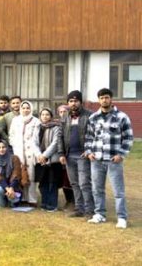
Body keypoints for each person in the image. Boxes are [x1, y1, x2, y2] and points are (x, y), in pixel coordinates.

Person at [85, 88, 134, 229]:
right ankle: (100, 214)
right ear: (98, 100)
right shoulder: (93, 117)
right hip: (97, 160)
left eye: (106, 97)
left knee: (118, 191)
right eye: (101, 98)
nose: (104, 100)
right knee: (97, 189)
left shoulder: (122, 117)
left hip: (113, 160)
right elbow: (88, 137)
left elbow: (128, 138)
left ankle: (122, 218)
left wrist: (121, 154)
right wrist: (89, 152)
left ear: (111, 99)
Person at [61, 90, 94, 218]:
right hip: (69, 156)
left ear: (80, 102)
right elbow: (60, 136)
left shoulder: (89, 116)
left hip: (83, 156)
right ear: (68, 103)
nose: (73, 103)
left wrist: (88, 150)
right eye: (70, 101)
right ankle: (79, 208)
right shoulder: (65, 117)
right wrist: (61, 153)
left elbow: (94, 135)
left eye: (75, 101)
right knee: (74, 183)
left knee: (84, 183)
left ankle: (89, 210)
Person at [9, 100, 40, 206]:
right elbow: (11, 135)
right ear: (20, 109)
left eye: (28, 108)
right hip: (18, 151)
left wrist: (34, 150)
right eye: (23, 108)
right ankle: (22, 197)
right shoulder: (15, 120)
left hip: (30, 151)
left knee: (31, 175)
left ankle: (31, 199)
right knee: (20, 174)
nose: (25, 110)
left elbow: (36, 138)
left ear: (31, 109)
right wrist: (15, 145)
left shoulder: (36, 121)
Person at [35, 107, 64, 212]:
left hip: (53, 160)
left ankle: (52, 205)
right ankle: (44, 203)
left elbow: (56, 143)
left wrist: (45, 155)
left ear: (51, 116)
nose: (45, 116)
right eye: (43, 114)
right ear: (40, 116)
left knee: (53, 183)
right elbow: (34, 143)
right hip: (40, 160)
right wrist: (39, 155)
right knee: (43, 182)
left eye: (47, 114)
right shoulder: (38, 127)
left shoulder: (56, 127)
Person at [0, 140, 23, 208]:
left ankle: (11, 201)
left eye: (3, 147)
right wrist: (8, 189)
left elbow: (16, 174)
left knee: (14, 205)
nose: (1, 149)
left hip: (14, 185)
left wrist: (11, 188)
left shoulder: (14, 158)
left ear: (7, 147)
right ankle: (2, 202)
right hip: (0, 184)